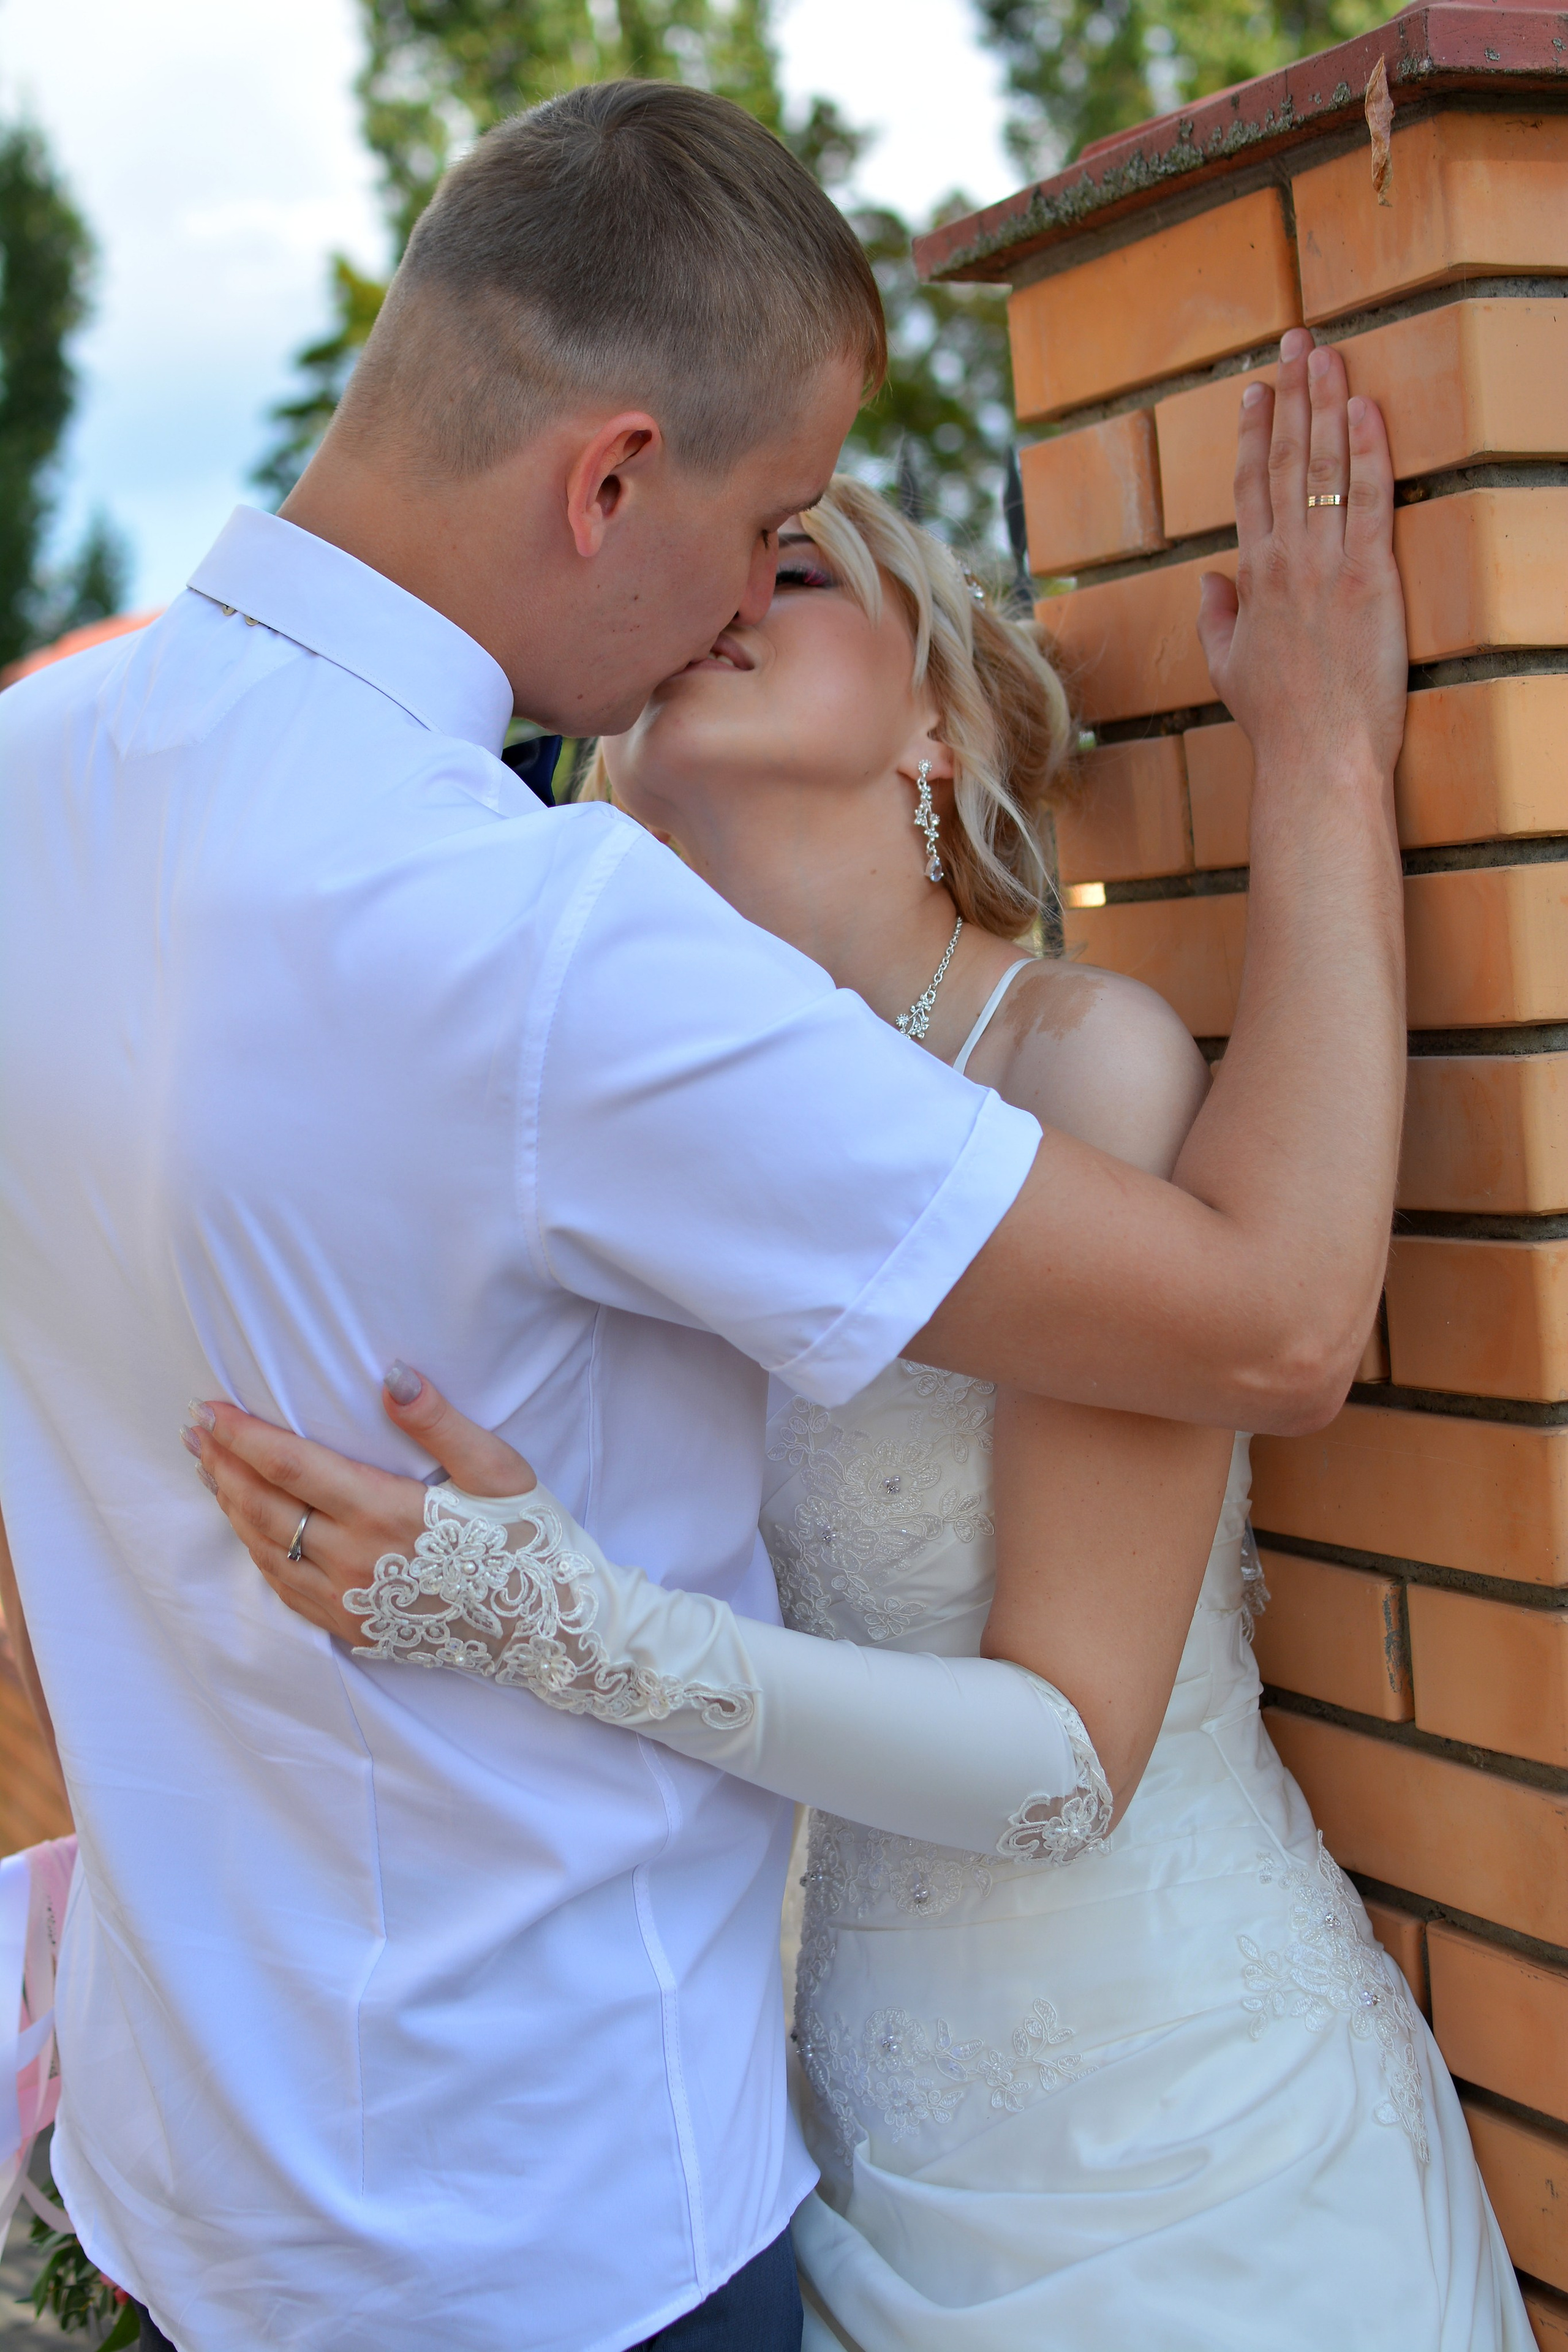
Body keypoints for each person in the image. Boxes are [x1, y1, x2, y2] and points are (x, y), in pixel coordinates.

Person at [0, 74, 1410, 2352]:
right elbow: (1278, 1322)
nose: (744, 595)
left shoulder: (31, 783)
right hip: (554, 2220)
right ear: (611, 480)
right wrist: (1331, 761)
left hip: (212, 2201)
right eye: (764, 526)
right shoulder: (541, 939)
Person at [190, 473, 1529, 2350]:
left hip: (1183, 2157)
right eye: (694, 594)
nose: (723, 604)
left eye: (796, 569)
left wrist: (562, 1625)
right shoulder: (638, 1142)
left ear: (936, 728)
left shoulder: (1078, 1066)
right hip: (833, 2147)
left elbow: (1063, 1765)